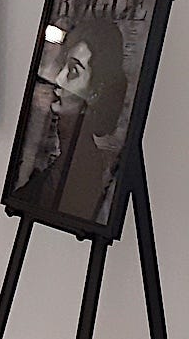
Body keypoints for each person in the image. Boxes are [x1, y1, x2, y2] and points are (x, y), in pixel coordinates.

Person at [14, 17, 128, 221]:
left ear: (95, 93)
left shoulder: (81, 167)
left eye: (74, 71)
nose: (59, 78)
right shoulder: (69, 153)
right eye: (65, 65)